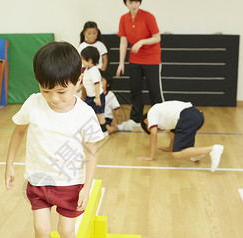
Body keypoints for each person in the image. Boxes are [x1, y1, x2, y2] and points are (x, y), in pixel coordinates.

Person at [5, 41, 103, 238]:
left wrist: (86, 187)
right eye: (46, 90)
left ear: (78, 80)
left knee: (66, 229)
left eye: (62, 91)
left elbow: (91, 152)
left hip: (70, 183)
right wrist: (9, 165)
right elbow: (18, 133)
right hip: (38, 181)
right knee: (41, 227)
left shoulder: (84, 114)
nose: (54, 98)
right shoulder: (34, 103)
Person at [116, 0, 164, 131]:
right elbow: (123, 42)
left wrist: (141, 42)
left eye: (136, 2)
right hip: (135, 60)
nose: (134, 5)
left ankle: (159, 120)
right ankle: (135, 119)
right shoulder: (123, 19)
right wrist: (121, 63)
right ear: (126, 3)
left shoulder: (148, 16)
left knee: (154, 91)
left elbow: (157, 38)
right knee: (135, 90)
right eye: (131, 2)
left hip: (152, 59)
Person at [138, 100, 224, 172]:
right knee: (179, 143)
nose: (158, 130)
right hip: (197, 115)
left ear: (146, 121)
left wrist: (151, 156)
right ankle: (195, 154)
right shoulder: (164, 114)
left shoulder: (151, 114)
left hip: (187, 117)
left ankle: (213, 149)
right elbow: (173, 132)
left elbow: (153, 134)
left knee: (176, 154)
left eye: (149, 128)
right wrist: (170, 147)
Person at [79, 46, 108, 136]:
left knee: (98, 114)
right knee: (87, 113)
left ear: (90, 60)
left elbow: (97, 84)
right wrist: (79, 87)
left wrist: (97, 98)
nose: (81, 62)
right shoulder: (87, 70)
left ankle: (104, 131)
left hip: (96, 97)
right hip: (90, 96)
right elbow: (87, 82)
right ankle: (89, 131)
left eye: (83, 59)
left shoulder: (94, 71)